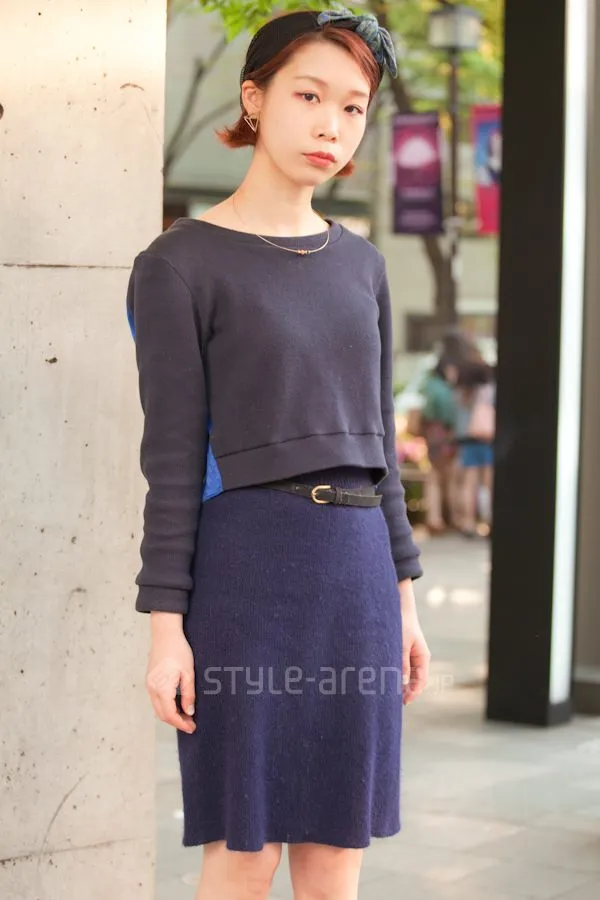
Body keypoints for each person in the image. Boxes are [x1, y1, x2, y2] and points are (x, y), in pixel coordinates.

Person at [126, 8, 430, 900]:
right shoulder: (179, 264)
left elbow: (379, 444)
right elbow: (171, 462)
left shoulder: (363, 264)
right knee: (244, 851)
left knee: (336, 856)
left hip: (358, 577)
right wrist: (166, 630)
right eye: (309, 96)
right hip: (247, 576)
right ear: (254, 98)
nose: (332, 124)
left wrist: (405, 600)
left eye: (354, 106)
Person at [454, 361, 495, 537]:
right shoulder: (489, 391)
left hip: (467, 441)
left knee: (468, 484)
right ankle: (489, 520)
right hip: (487, 440)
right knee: (488, 484)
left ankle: (468, 522)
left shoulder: (459, 394)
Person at [420, 356, 459, 534]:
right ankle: (451, 518)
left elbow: (426, 412)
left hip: (432, 435)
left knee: (434, 477)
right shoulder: (444, 390)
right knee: (448, 477)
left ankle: (434, 518)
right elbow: (448, 416)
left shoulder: (429, 386)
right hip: (444, 435)